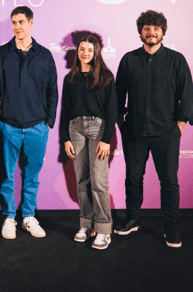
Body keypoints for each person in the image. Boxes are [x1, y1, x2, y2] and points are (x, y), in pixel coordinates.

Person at [115, 10, 193, 248]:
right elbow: (119, 95)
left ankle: (171, 228)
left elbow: (187, 94)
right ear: (140, 31)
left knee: (169, 182)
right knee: (133, 179)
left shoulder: (176, 59)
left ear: (163, 31)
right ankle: (132, 219)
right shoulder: (129, 59)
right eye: (147, 28)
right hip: (135, 132)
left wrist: (179, 126)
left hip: (166, 133)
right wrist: (122, 124)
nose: (151, 32)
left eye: (156, 28)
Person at [0, 6, 58, 239]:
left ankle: (28, 217)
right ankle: (9, 217)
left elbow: (52, 90)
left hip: (37, 127)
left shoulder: (45, 55)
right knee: (7, 175)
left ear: (30, 23)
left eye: (21, 22)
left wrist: (48, 122)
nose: (17, 26)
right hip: (8, 126)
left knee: (32, 175)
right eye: (14, 22)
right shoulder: (1, 53)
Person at [61, 35, 117, 250]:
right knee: (82, 181)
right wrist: (65, 138)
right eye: (82, 49)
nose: (85, 53)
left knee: (99, 182)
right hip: (75, 129)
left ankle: (103, 229)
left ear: (96, 52)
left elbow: (112, 111)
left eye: (90, 49)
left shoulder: (105, 77)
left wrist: (106, 139)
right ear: (77, 52)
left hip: (98, 129)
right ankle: (86, 225)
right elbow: (65, 110)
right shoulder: (70, 78)